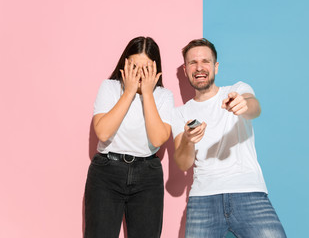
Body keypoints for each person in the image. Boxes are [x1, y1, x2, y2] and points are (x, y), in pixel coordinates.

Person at [171, 38, 287, 238]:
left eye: (205, 61)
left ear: (215, 66)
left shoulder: (237, 90)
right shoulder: (180, 113)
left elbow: (254, 107)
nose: (200, 67)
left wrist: (243, 105)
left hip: (249, 191)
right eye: (193, 62)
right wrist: (189, 141)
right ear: (185, 70)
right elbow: (182, 163)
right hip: (203, 199)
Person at [84, 36, 174, 238]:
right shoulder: (110, 87)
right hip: (107, 172)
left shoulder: (164, 95)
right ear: (125, 64)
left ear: (155, 68)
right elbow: (104, 132)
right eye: (134, 66)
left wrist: (148, 94)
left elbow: (158, 139)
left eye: (146, 68)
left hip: (147, 174)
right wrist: (130, 91)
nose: (139, 74)